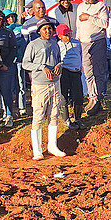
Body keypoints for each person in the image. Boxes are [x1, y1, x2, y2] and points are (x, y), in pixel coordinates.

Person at [22, 17, 66, 159]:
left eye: (49, 28)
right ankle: (37, 149)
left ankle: (52, 146)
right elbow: (25, 63)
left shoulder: (55, 44)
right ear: (39, 31)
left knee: (54, 114)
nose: (48, 31)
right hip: (40, 85)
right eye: (44, 29)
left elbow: (59, 59)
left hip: (55, 83)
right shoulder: (33, 45)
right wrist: (42, 67)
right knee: (39, 115)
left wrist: (59, 65)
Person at [76, 0, 109, 114]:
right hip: (84, 42)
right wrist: (78, 40)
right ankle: (92, 96)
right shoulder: (80, 7)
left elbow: (105, 23)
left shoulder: (101, 6)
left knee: (99, 71)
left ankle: (98, 98)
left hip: (98, 40)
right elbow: (79, 25)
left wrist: (89, 17)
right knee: (87, 72)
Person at [56, 24, 83, 129]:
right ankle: (66, 120)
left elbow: (80, 54)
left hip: (75, 71)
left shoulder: (77, 43)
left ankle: (78, 118)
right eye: (65, 35)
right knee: (63, 96)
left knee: (78, 96)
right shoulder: (58, 45)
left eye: (69, 33)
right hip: (64, 71)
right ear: (59, 36)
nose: (68, 36)